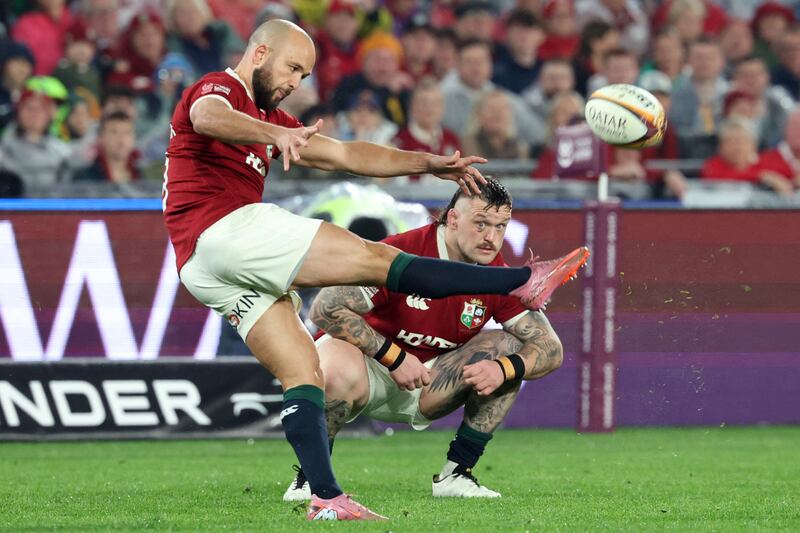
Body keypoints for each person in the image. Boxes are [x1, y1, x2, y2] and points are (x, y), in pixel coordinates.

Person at [163, 19, 589, 522]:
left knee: (301, 368)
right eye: (293, 67)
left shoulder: (269, 117)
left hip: (201, 267)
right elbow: (207, 115)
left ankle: (323, 496)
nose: (297, 82)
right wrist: (275, 132)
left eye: (304, 74)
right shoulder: (220, 89)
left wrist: (428, 163)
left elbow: (348, 154)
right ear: (259, 53)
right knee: (379, 260)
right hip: (223, 229)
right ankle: (521, 280)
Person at [282, 179, 565, 501]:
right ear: (453, 220)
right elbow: (325, 307)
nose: (491, 238)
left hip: (430, 383)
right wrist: (395, 357)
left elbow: (551, 348)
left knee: (509, 348)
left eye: (501, 227)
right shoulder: (401, 252)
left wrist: (504, 369)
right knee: (333, 356)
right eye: (481, 224)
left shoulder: (496, 276)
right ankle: (311, 478)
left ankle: (456, 474)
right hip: (368, 369)